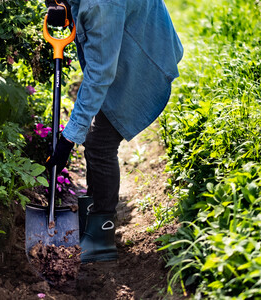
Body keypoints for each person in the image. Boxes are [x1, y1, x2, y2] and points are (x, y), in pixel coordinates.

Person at [45, 0, 183, 263]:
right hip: (132, 41)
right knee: (96, 135)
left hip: (146, 57)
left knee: (99, 143)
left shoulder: (100, 4)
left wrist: (68, 139)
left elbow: (100, 74)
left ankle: (101, 236)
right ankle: (93, 213)